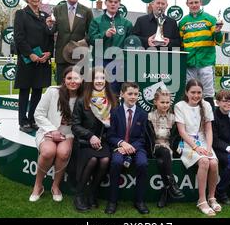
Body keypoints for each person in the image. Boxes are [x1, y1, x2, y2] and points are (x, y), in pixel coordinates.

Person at [30, 66, 83, 202]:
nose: (73, 81)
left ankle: (55, 186)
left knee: (63, 152)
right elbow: (39, 114)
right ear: (64, 80)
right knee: (48, 152)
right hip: (48, 130)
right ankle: (38, 186)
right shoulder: (53, 92)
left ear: (81, 80)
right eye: (69, 78)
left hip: (68, 134)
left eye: (76, 78)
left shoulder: (83, 97)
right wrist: (52, 130)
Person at [71, 67, 117, 211]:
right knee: (92, 160)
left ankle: (92, 194)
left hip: (104, 141)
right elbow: (75, 126)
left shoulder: (112, 100)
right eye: (96, 78)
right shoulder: (82, 100)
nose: (99, 81)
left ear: (106, 80)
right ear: (91, 80)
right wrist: (90, 136)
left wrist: (104, 139)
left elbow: (115, 125)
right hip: (86, 141)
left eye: (102, 78)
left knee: (104, 160)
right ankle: (79, 195)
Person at [174, 78, 221, 216]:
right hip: (188, 143)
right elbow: (182, 132)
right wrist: (196, 147)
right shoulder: (180, 106)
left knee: (213, 162)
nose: (196, 95)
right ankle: (202, 200)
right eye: (193, 92)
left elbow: (208, 130)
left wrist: (209, 148)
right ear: (186, 92)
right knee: (204, 161)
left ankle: (212, 197)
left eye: (199, 92)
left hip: (204, 142)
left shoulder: (206, 105)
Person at [14, 0, 54, 133]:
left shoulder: (45, 16)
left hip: (42, 61)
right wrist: (30, 54)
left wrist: (49, 53)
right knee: (25, 91)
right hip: (28, 60)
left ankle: (33, 119)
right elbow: (19, 37)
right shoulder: (21, 14)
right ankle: (23, 121)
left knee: (38, 91)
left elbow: (50, 37)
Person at [105, 82, 149, 215]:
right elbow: (110, 135)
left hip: (137, 147)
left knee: (142, 163)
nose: (133, 97)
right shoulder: (114, 112)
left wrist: (130, 147)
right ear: (122, 94)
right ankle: (112, 201)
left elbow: (143, 138)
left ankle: (139, 201)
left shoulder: (142, 114)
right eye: (130, 94)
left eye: (136, 94)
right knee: (116, 162)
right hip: (118, 147)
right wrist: (122, 144)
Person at [179, 0, 224, 108]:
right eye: (191, 3)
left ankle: (210, 122)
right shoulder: (183, 22)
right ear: (187, 4)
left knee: (208, 94)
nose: (194, 5)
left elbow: (219, 41)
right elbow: (180, 43)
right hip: (189, 63)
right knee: (190, 93)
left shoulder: (210, 19)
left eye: (196, 2)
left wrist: (218, 33)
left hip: (206, 63)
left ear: (201, 3)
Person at [47, 0, 93, 83]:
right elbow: (52, 30)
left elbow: (92, 33)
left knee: (79, 88)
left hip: (79, 56)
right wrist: (49, 25)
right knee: (61, 88)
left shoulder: (86, 11)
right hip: (61, 56)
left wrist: (84, 41)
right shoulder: (57, 9)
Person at [88, 0, 133, 95]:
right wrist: (105, 35)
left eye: (116, 2)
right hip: (101, 62)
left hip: (120, 63)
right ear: (106, 3)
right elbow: (91, 40)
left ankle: (117, 111)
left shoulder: (127, 23)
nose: (113, 4)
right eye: (111, 1)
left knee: (119, 93)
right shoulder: (97, 21)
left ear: (119, 4)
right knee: (101, 92)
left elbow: (130, 44)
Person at [148, 88, 185, 208]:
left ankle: (166, 190)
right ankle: (173, 185)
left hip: (168, 149)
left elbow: (177, 137)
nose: (165, 105)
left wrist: (178, 147)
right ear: (155, 102)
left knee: (162, 161)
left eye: (167, 102)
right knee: (163, 152)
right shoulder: (149, 117)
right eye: (162, 102)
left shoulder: (173, 118)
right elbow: (148, 137)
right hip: (155, 147)